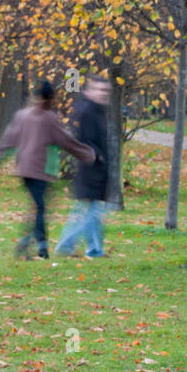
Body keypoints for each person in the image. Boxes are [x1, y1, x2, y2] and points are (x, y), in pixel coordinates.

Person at [0, 80, 95, 259]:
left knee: (38, 207)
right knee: (40, 207)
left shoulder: (22, 115)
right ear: (51, 99)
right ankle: (40, 246)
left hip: (24, 169)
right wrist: (88, 155)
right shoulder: (49, 118)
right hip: (42, 170)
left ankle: (31, 243)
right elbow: (66, 141)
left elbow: (9, 139)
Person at [55, 75, 111, 258]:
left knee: (89, 213)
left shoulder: (96, 111)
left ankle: (92, 249)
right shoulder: (87, 112)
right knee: (90, 214)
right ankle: (69, 246)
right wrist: (97, 157)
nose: (103, 94)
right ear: (88, 91)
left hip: (95, 170)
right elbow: (82, 141)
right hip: (90, 171)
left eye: (106, 90)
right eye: (99, 90)